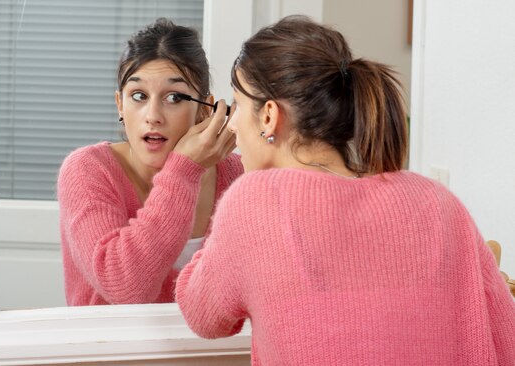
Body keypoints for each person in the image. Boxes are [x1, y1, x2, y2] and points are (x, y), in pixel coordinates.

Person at [175, 15, 515, 365]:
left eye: (239, 105)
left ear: (269, 116)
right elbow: (504, 337)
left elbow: (203, 314)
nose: (232, 122)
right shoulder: (436, 201)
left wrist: (190, 171)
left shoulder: (254, 202)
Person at [58, 18, 241, 306]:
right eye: (139, 96)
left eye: (174, 97)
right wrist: (184, 171)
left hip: (216, 351)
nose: (153, 115)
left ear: (205, 111)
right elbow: (126, 289)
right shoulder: (87, 170)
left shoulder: (238, 177)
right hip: (110, 350)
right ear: (120, 104)